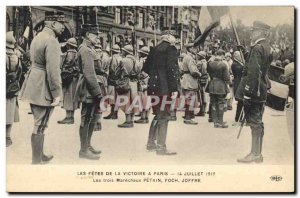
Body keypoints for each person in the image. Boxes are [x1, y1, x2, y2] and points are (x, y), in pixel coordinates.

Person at [20, 11, 66, 164]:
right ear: (52, 23)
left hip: (34, 83)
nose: (63, 28)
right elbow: (53, 71)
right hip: (43, 87)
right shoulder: (51, 41)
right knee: (41, 124)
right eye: (61, 24)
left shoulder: (37, 37)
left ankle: (40, 155)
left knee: (39, 122)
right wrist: (56, 93)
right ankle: (36, 160)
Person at [236, 21, 272, 163]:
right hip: (262, 89)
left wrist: (248, 92)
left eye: (253, 31)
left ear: (259, 32)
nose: (251, 33)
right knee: (258, 122)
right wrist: (246, 52)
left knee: (254, 123)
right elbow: (259, 65)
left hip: (254, 90)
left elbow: (254, 72)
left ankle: (254, 154)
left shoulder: (257, 48)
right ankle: (258, 153)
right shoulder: (266, 46)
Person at [143, 29, 179, 155]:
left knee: (157, 114)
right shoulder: (171, 49)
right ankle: (161, 147)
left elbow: (146, 68)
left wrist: (156, 75)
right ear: (168, 37)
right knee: (164, 116)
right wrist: (174, 88)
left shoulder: (154, 49)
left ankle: (151, 143)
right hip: (164, 88)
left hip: (153, 87)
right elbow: (172, 70)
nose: (175, 39)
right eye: (174, 36)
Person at [74, 24, 103, 160]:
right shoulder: (85, 50)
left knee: (92, 117)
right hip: (88, 88)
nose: (97, 37)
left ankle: (87, 145)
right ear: (87, 35)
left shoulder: (89, 49)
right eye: (94, 34)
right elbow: (89, 73)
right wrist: (98, 92)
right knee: (86, 118)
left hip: (92, 87)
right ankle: (83, 149)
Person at [57, 37, 79, 124]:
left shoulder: (66, 54)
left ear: (69, 45)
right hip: (75, 78)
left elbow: (61, 65)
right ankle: (72, 116)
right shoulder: (78, 54)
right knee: (73, 97)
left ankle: (68, 116)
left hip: (67, 77)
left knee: (67, 96)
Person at [6, 31, 22, 147]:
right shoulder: (16, 56)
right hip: (12, 89)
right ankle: (7, 137)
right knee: (10, 112)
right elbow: (20, 72)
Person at [207, 49, 230, 128]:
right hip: (220, 86)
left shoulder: (210, 63)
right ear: (222, 55)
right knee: (221, 103)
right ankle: (220, 122)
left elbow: (209, 73)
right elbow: (226, 78)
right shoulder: (223, 65)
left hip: (212, 85)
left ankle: (215, 121)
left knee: (213, 103)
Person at [117, 45, 139, 128]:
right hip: (134, 83)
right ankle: (131, 120)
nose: (122, 52)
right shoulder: (136, 61)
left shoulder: (123, 60)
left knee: (126, 101)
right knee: (133, 101)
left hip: (126, 82)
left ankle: (128, 120)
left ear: (126, 52)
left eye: (123, 50)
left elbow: (117, 72)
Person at [181, 43, 201, 125]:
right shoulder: (189, 58)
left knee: (188, 99)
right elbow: (193, 71)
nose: (196, 49)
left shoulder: (186, 57)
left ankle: (188, 116)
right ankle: (188, 118)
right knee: (190, 99)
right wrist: (199, 73)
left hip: (186, 79)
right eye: (195, 48)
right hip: (190, 80)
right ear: (191, 49)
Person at [93, 40, 109, 131]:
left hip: (95, 79)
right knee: (101, 101)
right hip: (103, 80)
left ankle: (95, 123)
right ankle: (99, 121)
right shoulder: (106, 56)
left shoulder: (92, 54)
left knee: (94, 101)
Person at [104, 44, 122, 120]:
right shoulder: (121, 58)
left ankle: (113, 113)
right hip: (119, 80)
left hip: (111, 79)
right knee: (117, 97)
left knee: (112, 97)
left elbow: (107, 69)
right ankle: (115, 113)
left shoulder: (110, 58)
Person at [135, 46, 150, 124]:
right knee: (147, 99)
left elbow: (138, 71)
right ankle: (146, 116)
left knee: (142, 99)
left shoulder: (142, 62)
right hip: (148, 82)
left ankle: (143, 117)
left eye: (140, 53)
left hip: (142, 82)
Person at [231, 51, 244, 126]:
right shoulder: (235, 64)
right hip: (238, 83)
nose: (240, 57)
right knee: (240, 101)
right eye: (239, 55)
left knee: (241, 102)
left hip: (239, 83)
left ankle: (239, 117)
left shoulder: (238, 63)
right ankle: (238, 117)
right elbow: (240, 71)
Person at [195, 51, 208, 117]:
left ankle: (202, 111)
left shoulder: (199, 63)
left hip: (200, 79)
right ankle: (203, 110)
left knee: (201, 95)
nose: (197, 56)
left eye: (199, 55)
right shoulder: (205, 62)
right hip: (205, 79)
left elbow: (196, 70)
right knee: (204, 95)